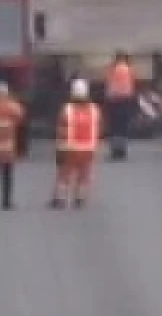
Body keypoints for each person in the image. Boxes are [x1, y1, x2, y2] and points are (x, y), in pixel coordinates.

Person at [52, 80, 102, 208]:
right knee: (84, 174)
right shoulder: (94, 109)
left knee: (64, 174)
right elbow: (99, 128)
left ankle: (61, 199)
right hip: (88, 148)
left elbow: (61, 130)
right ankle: (79, 198)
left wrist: (59, 148)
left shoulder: (67, 109)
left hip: (70, 148)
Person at [102, 53, 138, 161]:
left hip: (113, 101)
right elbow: (133, 82)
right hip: (126, 100)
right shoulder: (129, 69)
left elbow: (107, 81)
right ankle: (122, 150)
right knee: (123, 126)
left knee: (114, 126)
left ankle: (115, 150)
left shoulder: (111, 69)